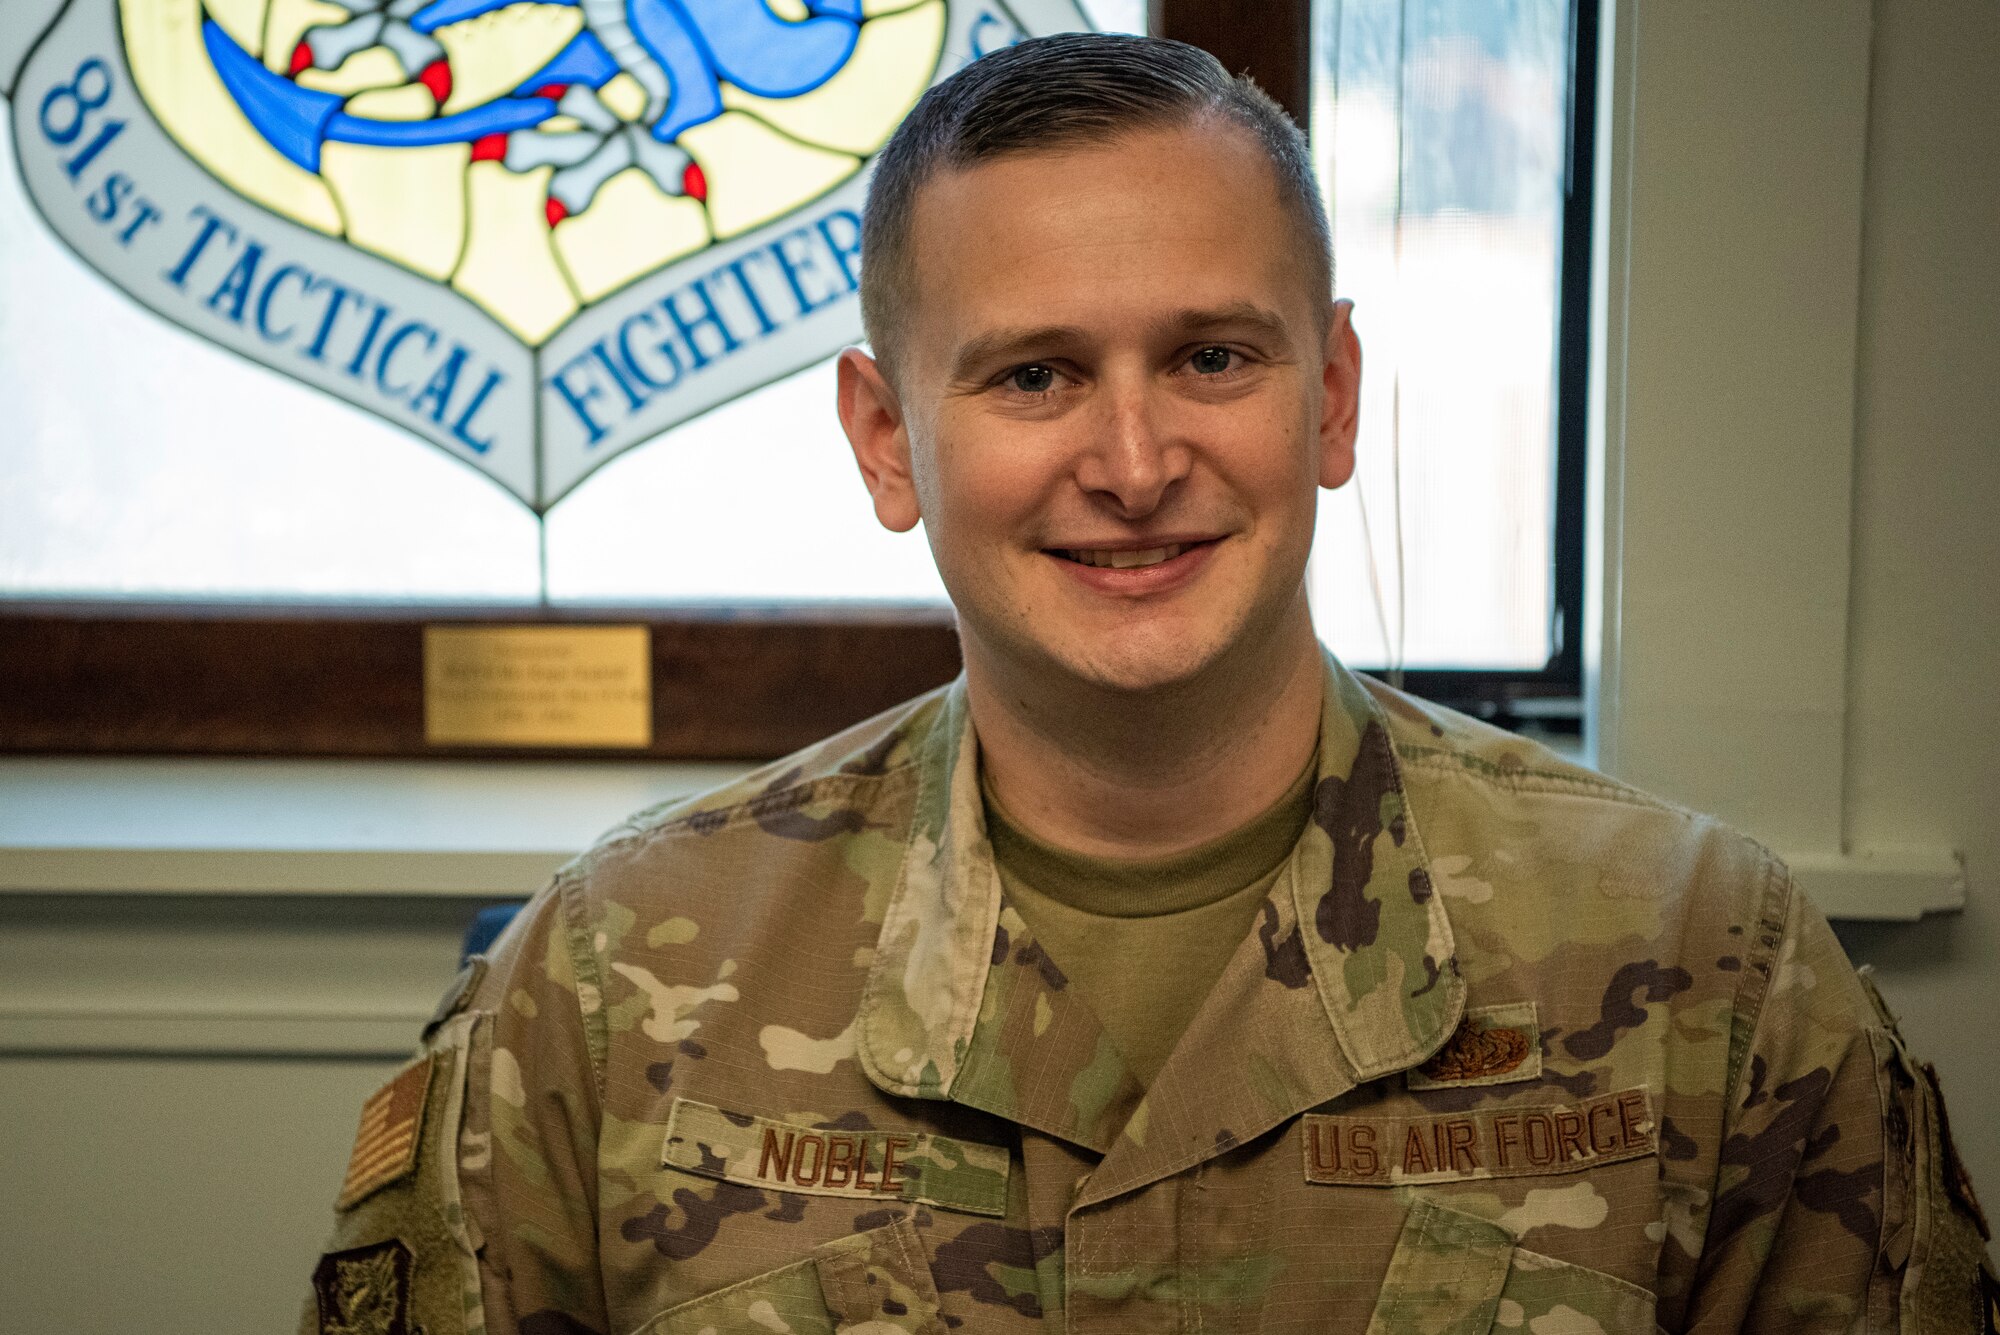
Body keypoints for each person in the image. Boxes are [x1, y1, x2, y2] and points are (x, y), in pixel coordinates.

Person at [300, 33, 1997, 1335]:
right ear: (888, 440)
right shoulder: (609, 986)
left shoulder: (1705, 959)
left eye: (1211, 357)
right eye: (1035, 374)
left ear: (1330, 395)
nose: (1134, 459)